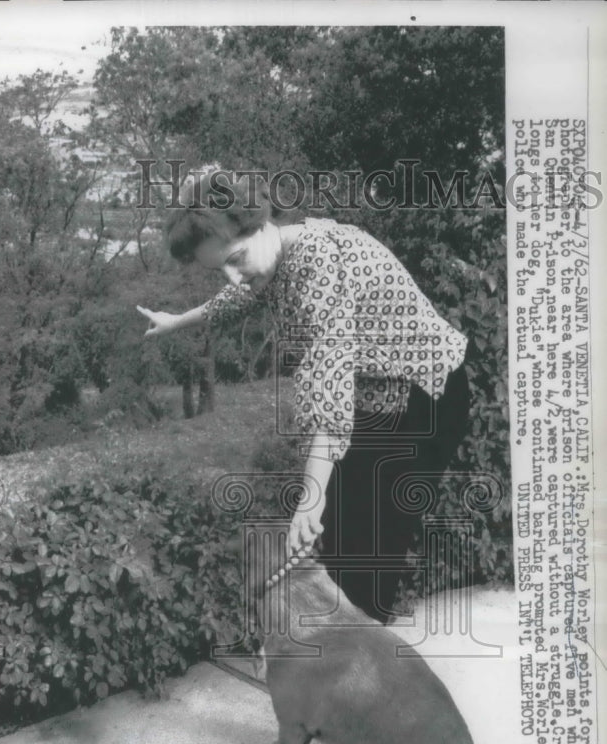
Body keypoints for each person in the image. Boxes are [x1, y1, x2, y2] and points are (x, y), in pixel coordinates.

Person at [137, 169, 470, 623]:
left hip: (424, 397)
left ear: (259, 224)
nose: (232, 278)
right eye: (220, 270)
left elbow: (330, 382)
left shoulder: (316, 263)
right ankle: (343, 645)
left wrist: (311, 499)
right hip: (375, 395)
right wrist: (177, 320)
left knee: (367, 553)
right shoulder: (277, 252)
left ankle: (360, 655)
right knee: (341, 539)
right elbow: (238, 299)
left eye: (235, 260)